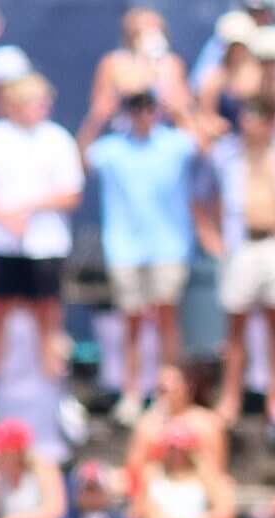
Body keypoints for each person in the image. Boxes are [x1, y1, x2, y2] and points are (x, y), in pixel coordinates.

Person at [0, 74, 84, 420]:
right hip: (2, 245)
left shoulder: (58, 140)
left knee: (49, 319)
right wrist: (2, 215)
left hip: (46, 246)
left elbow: (71, 193)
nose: (43, 109)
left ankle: (57, 395)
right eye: (36, 102)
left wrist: (27, 207)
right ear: (15, 104)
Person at [197, 95, 275, 431]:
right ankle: (231, 397)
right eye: (247, 116)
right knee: (236, 327)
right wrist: (211, 238)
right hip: (242, 243)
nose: (251, 124)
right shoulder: (224, 156)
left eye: (258, 117)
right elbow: (202, 197)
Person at [89, 90, 199, 423]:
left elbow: (204, 145)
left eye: (150, 108)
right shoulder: (111, 149)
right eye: (136, 108)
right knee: (132, 323)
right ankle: (133, 393)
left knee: (167, 320)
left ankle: (168, 393)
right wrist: (98, 115)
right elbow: (82, 157)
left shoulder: (176, 143)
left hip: (168, 247)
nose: (143, 115)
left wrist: (180, 107)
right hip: (126, 248)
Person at [78, 6, 193, 148]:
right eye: (141, 31)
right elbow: (100, 110)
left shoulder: (172, 65)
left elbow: (183, 109)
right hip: (123, 141)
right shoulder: (113, 64)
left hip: (164, 142)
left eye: (155, 29)